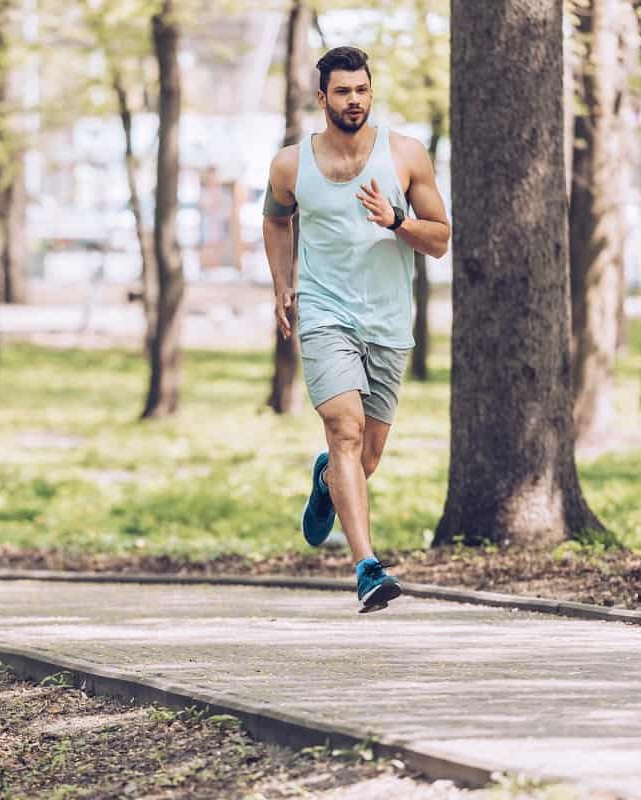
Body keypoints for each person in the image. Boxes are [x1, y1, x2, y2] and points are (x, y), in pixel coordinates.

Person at [262, 46, 451, 612]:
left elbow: (440, 239)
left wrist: (395, 219)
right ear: (322, 98)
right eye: (342, 91)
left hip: (388, 320)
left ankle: (326, 483)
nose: (354, 100)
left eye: (362, 90)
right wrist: (282, 285)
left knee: (363, 459)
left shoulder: (405, 156)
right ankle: (367, 567)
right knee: (343, 432)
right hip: (324, 314)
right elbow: (275, 220)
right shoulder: (290, 165)